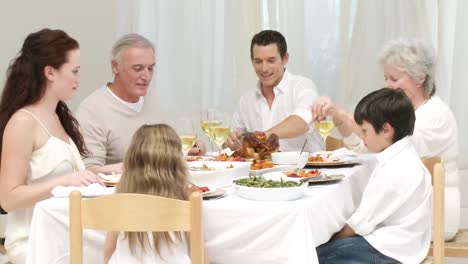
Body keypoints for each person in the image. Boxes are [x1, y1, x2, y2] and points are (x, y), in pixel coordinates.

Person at [312, 38, 459, 240]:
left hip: (434, 213)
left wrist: (345, 115)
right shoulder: (399, 113)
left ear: (420, 78)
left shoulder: (436, 115)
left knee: (346, 231)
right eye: (386, 78)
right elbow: (368, 149)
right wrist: (341, 122)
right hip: (402, 209)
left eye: (394, 78)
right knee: (334, 222)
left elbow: (393, 147)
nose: (387, 85)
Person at [0, 29, 103, 264]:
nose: (79, 79)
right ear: (50, 72)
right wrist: (63, 183)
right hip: (36, 241)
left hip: (65, 234)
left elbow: (69, 176)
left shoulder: (57, 116)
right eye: (74, 71)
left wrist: (113, 170)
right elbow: (8, 198)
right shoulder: (23, 122)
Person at [317, 88, 432, 263]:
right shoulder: (404, 153)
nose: (362, 137)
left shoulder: (394, 170)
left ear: (386, 130)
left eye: (364, 131)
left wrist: (328, 241)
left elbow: (359, 224)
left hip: (390, 248)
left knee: (312, 254)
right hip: (406, 242)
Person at [76, 34, 205, 175]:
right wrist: (133, 167)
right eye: (138, 68)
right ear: (115, 67)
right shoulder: (92, 109)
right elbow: (89, 170)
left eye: (150, 68)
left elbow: (161, 151)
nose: (147, 77)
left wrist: (184, 149)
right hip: (121, 194)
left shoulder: (151, 98)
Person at [104, 124, 208, 264]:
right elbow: (199, 252)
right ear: (176, 161)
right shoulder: (185, 198)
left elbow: (109, 249)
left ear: (132, 159)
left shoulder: (121, 195)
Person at [224, 30, 322, 153]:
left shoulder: (303, 86)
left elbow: (302, 122)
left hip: (305, 169)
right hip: (261, 171)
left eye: (271, 61)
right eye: (258, 61)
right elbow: (231, 144)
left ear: (285, 59)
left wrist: (260, 137)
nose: (264, 68)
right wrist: (232, 144)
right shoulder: (246, 100)